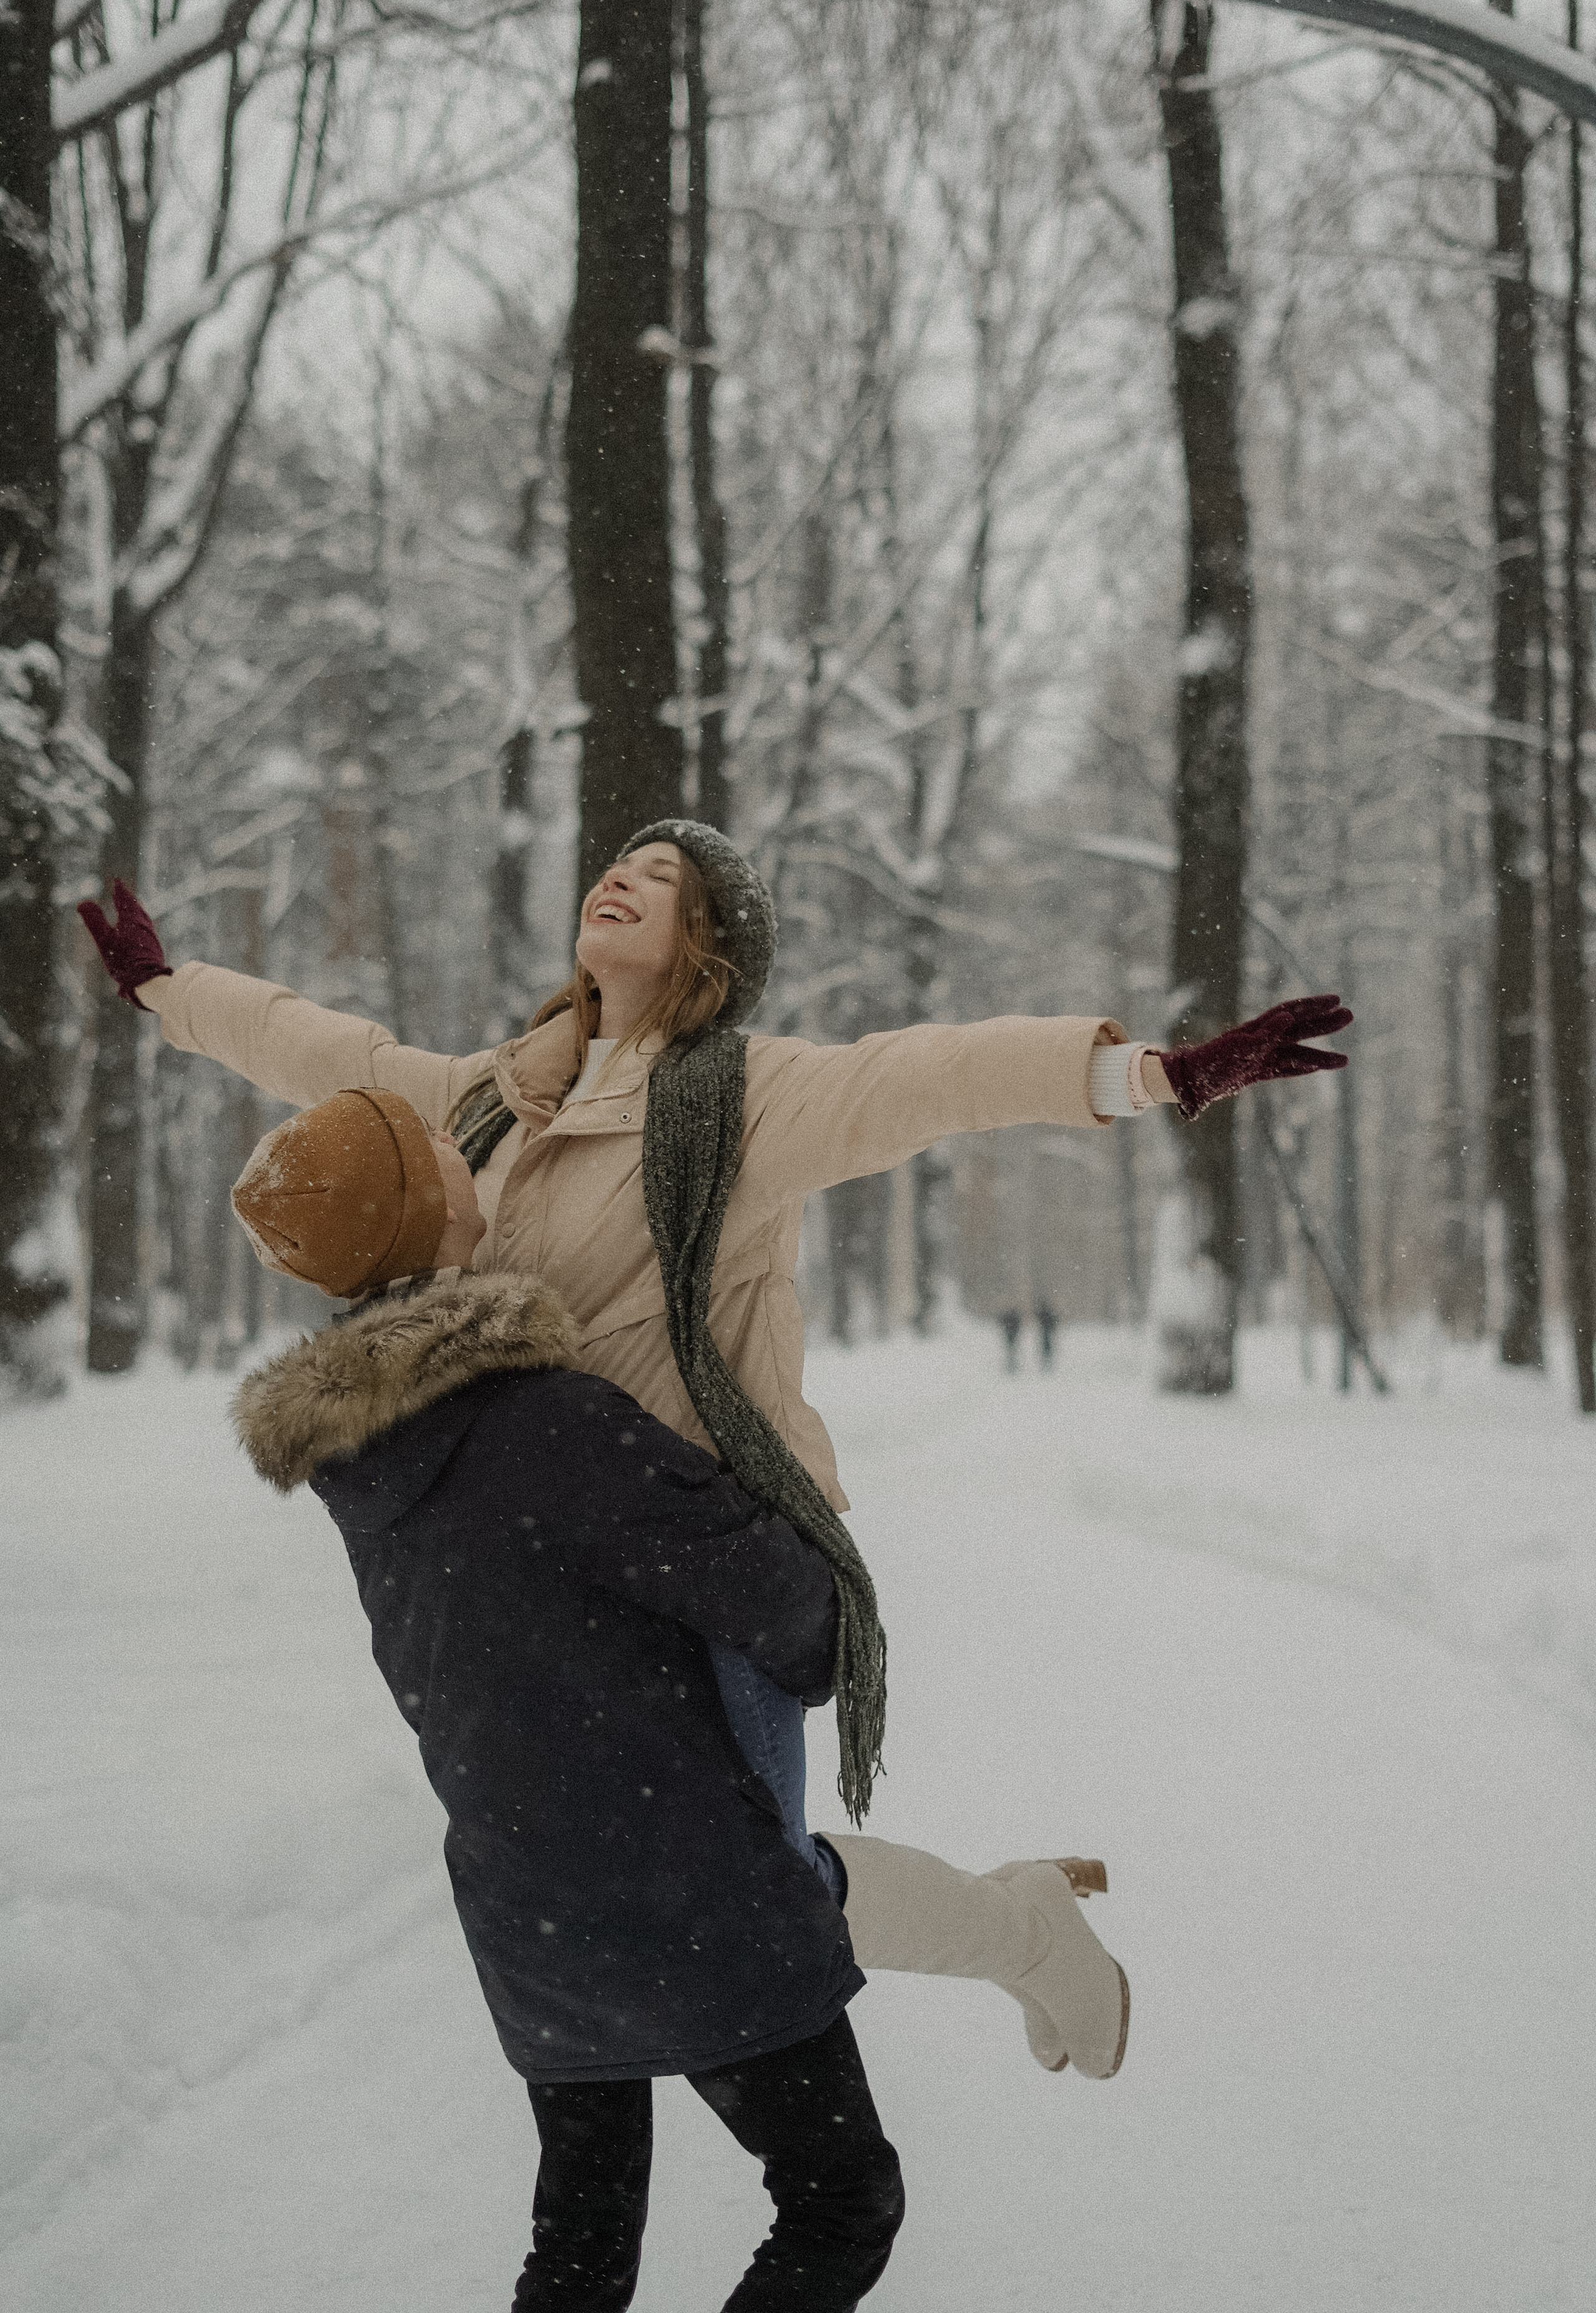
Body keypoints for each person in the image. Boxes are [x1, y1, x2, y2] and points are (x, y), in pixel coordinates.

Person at [80, 831, 1348, 2072]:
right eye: (622, 861)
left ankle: (1022, 1937)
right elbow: (324, 1048)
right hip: (571, 1570)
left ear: (706, 950)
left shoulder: (743, 1102)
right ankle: (978, 1951)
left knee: (756, 1884)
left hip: (707, 1556)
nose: (624, 876)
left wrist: (1148, 1075)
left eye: (667, 879)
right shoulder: (490, 1096)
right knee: (649, 1880)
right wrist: (166, 989)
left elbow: (928, 1077)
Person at [228, 1084, 905, 2312]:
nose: (466, 1147)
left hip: (528, 1903)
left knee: (582, 2243)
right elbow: (773, 1599)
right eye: (440, 1147)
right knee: (840, 2200)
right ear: (424, 1210)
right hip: (683, 1887)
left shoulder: (367, 1458)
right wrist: (825, 1622)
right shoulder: (550, 1424)